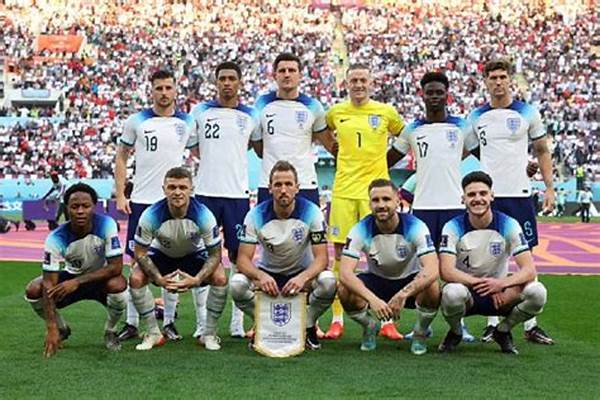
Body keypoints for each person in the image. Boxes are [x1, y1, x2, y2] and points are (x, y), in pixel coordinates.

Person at [466, 59, 555, 345]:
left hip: (519, 194)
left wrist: (549, 187)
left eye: (503, 77)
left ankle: (531, 324)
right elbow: (472, 151)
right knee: (491, 257)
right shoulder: (476, 116)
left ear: (510, 80)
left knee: (526, 256)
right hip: (489, 196)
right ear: (486, 82)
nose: (498, 82)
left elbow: (541, 150)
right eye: (493, 77)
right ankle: (492, 323)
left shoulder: (527, 112)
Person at [387, 71, 477, 342]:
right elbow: (387, 159)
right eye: (430, 92)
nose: (435, 97)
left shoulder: (461, 127)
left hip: (454, 208)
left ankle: (459, 325)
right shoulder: (412, 129)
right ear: (422, 95)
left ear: (447, 95)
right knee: (424, 270)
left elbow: (486, 154)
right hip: (423, 209)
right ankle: (422, 325)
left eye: (439, 92)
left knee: (455, 269)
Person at [324, 64, 405, 340]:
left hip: (376, 194)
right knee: (340, 256)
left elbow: (406, 136)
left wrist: (387, 160)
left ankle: (386, 321)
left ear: (371, 83)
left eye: (363, 80)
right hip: (344, 192)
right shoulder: (336, 113)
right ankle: (337, 320)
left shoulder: (386, 112)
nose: (358, 85)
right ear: (346, 84)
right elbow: (324, 134)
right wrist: (334, 149)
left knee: (382, 256)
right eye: (354, 80)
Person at [114, 69, 196, 342]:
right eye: (159, 88)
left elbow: (201, 153)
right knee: (135, 261)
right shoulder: (136, 121)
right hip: (141, 201)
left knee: (171, 262)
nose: (163, 92)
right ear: (151, 90)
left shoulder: (187, 122)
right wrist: (120, 195)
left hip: (173, 203)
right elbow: (122, 157)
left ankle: (170, 322)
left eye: (168, 87)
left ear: (175, 90)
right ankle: (132, 322)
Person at [438, 171, 548, 355]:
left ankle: (503, 330)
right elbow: (446, 271)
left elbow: (529, 270)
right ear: (463, 199)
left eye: (483, 193)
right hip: (467, 293)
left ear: (492, 196)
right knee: (451, 293)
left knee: (538, 292)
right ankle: (456, 332)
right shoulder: (452, 226)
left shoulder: (509, 224)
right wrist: (483, 284)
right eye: (471, 194)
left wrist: (501, 284)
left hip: (501, 295)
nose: (477, 199)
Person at [231, 161, 336, 351]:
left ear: (297, 188)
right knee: (237, 285)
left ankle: (307, 325)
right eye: (278, 185)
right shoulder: (255, 215)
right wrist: (260, 276)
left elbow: (322, 258)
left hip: (301, 275)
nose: (283, 190)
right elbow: (243, 260)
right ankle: (262, 324)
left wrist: (303, 277)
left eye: (288, 184)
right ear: (270, 188)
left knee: (328, 282)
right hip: (269, 275)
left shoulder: (312, 212)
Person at [190, 61, 260, 339]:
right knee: (202, 256)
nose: (227, 83)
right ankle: (202, 322)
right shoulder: (200, 112)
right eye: (223, 78)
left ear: (240, 82)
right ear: (216, 82)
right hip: (205, 192)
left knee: (238, 257)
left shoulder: (250, 115)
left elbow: (256, 146)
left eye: (232, 78)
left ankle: (236, 322)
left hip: (237, 195)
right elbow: (194, 146)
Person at [128, 167, 227, 351]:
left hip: (193, 255)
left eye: (182, 187)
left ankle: (209, 333)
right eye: (172, 187)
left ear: (191, 189)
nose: (177, 192)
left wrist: (197, 279)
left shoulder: (204, 215)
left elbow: (215, 254)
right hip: (162, 255)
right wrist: (158, 278)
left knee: (220, 277)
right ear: (164, 189)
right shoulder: (150, 214)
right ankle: (153, 333)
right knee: (135, 277)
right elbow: (140, 253)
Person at [24, 183, 127, 357]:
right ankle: (62, 329)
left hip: (99, 279)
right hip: (71, 277)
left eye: (85, 206)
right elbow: (49, 283)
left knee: (118, 284)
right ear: (67, 208)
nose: (80, 211)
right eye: (75, 206)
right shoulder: (55, 238)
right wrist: (51, 327)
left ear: (94, 206)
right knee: (34, 289)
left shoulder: (107, 224)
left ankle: (111, 330)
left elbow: (116, 267)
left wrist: (77, 282)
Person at [338, 179, 439, 354]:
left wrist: (403, 294)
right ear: (369, 204)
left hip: (408, 281)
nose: (381, 205)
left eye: (386, 199)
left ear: (397, 201)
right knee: (343, 289)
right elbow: (345, 273)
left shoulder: (415, 226)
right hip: (377, 281)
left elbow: (432, 269)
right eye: (375, 200)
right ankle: (369, 326)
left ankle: (420, 331)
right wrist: (373, 300)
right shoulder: (360, 229)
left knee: (432, 285)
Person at [253, 52, 336, 205]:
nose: (287, 74)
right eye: (282, 71)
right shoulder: (261, 104)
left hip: (304, 183)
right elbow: (259, 149)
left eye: (291, 70)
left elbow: (329, 143)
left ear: (300, 76)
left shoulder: (313, 106)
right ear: (274, 75)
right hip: (270, 184)